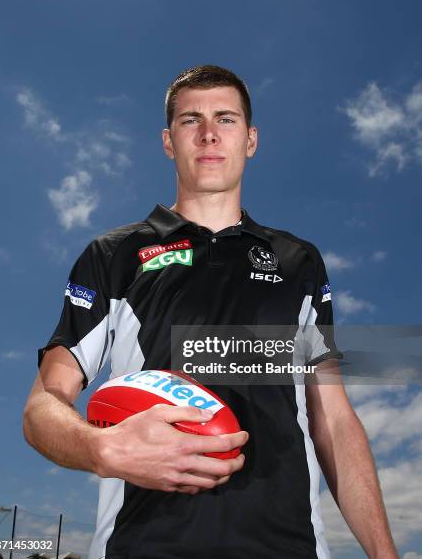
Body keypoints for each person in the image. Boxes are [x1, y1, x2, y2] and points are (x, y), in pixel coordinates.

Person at [23, 65, 398, 559]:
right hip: (143, 546)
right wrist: (101, 449)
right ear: (167, 141)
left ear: (250, 140)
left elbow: (334, 420)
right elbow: (42, 405)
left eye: (226, 118)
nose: (208, 134)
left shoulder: (299, 261)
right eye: (189, 120)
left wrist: (386, 554)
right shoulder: (114, 253)